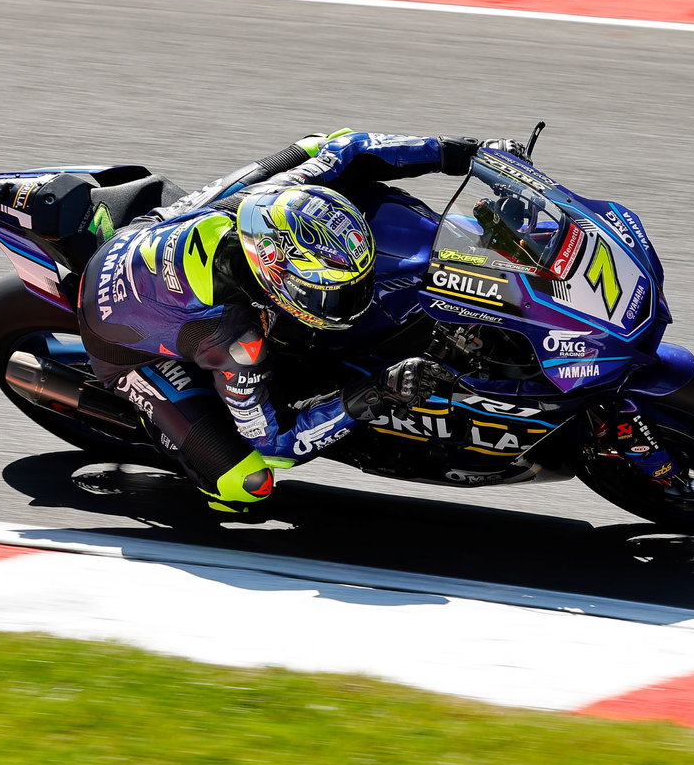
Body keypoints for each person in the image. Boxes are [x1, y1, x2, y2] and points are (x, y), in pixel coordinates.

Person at [76, 130, 523, 513]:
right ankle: (176, 447)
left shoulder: (284, 194)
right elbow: (276, 443)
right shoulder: (234, 341)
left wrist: (465, 152)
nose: (353, 299)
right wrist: (378, 390)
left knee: (311, 146)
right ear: (275, 280)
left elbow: (346, 145)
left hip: (157, 228)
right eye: (331, 292)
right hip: (123, 346)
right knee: (247, 484)